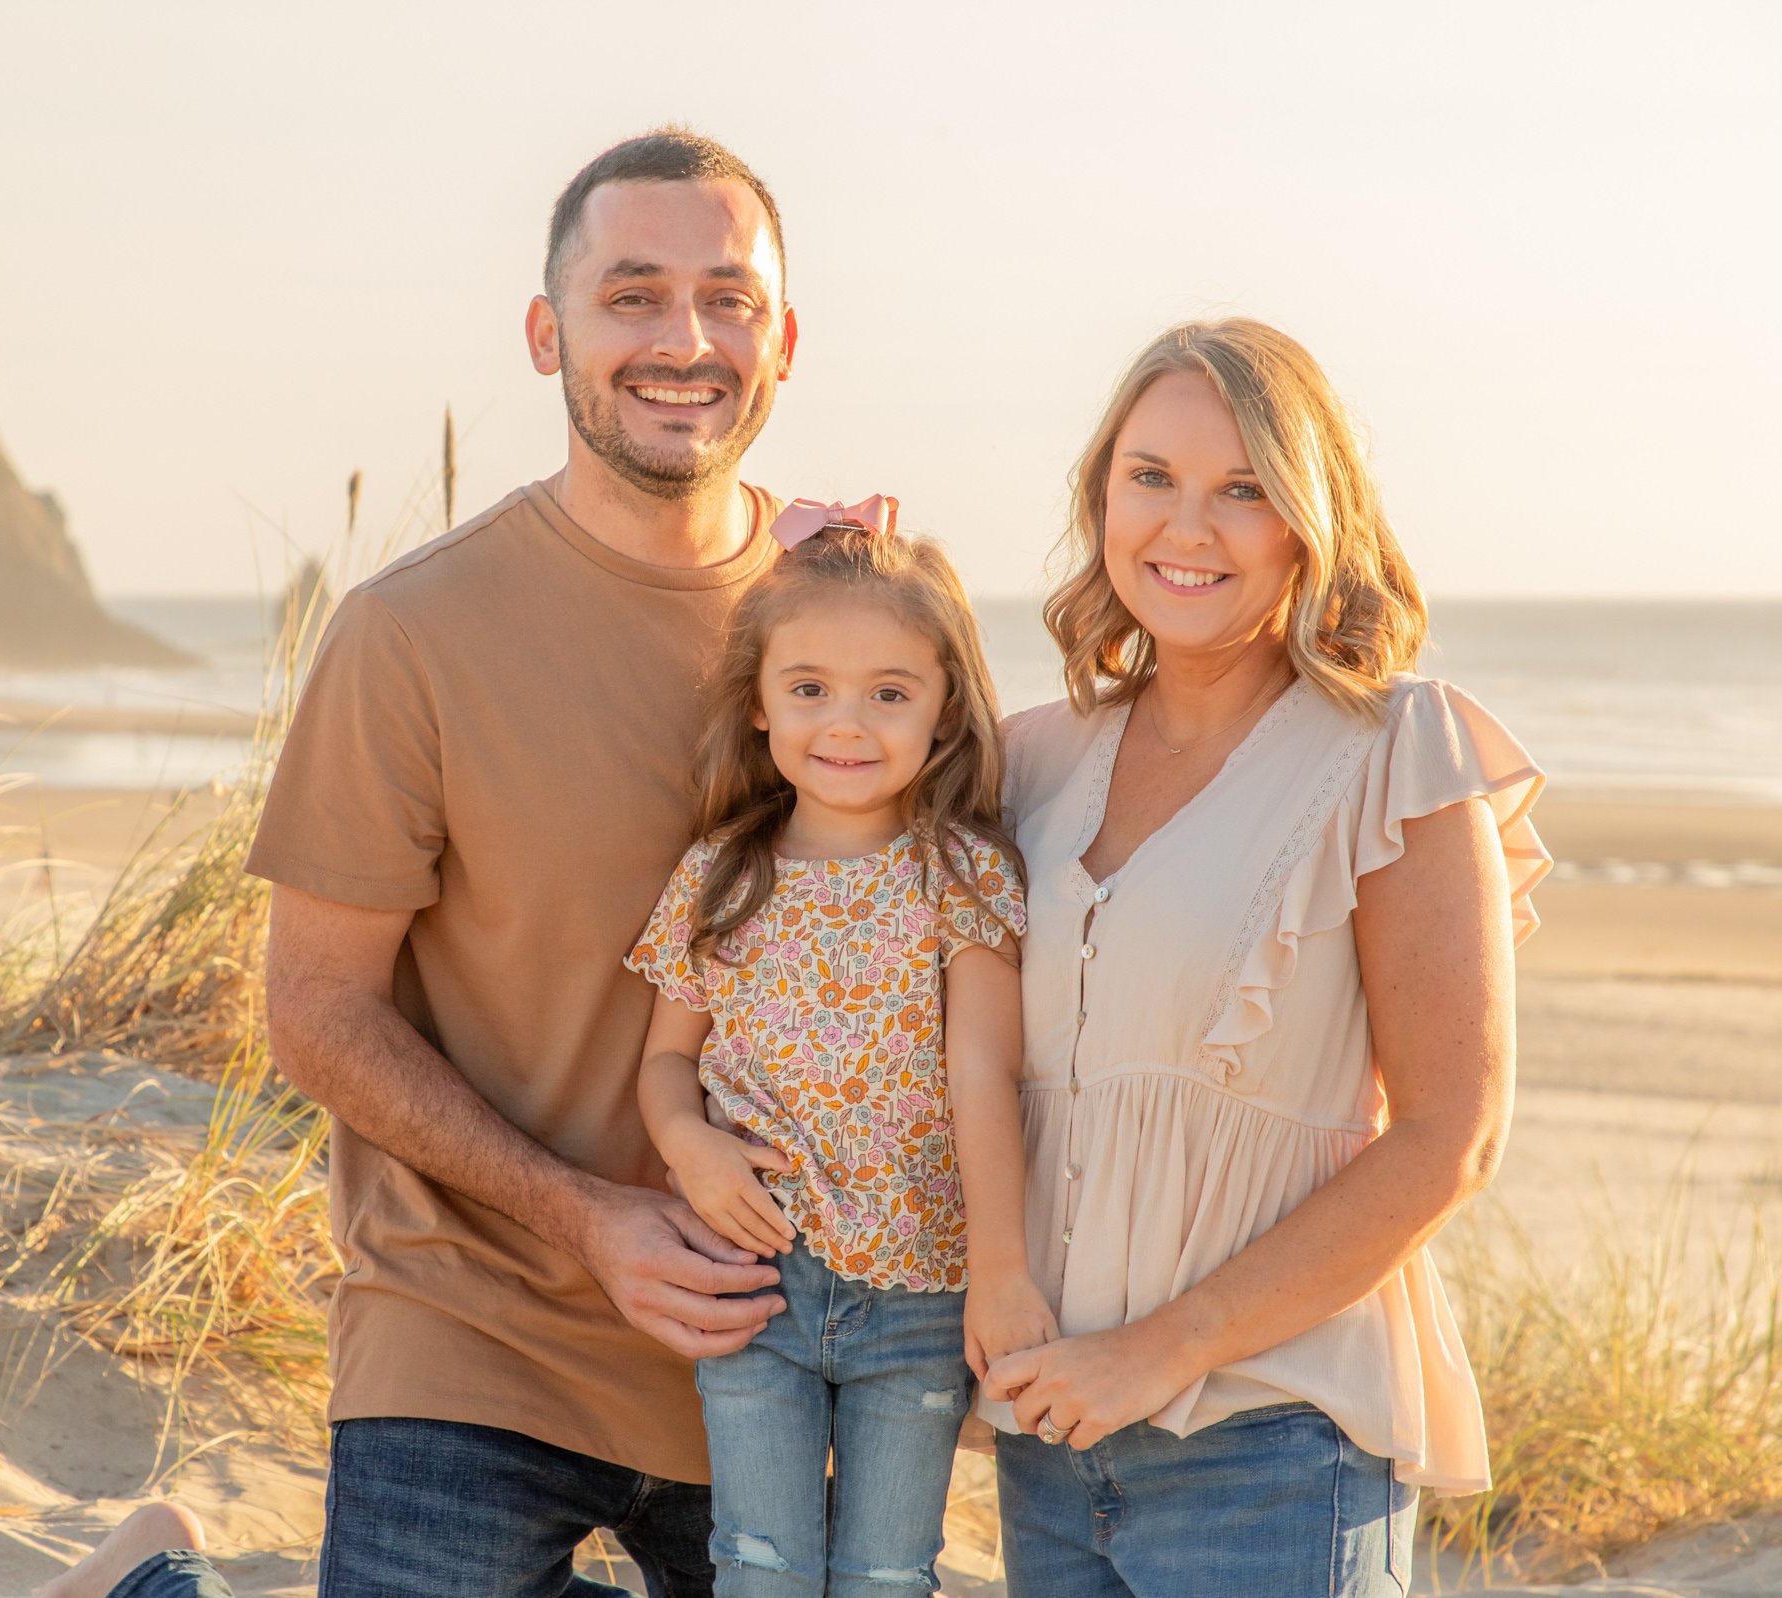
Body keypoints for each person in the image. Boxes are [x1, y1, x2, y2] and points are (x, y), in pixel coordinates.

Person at [71, 126, 804, 1598]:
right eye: (633, 295)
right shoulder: (413, 631)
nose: (686, 339)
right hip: (473, 1324)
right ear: (548, 335)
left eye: (729, 298)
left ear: (784, 337)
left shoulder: (864, 635)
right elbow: (318, 1009)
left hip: (781, 1350)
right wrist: (587, 1215)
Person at [977, 319, 1551, 1596]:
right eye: (1152, 478)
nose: (1189, 528)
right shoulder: (1027, 761)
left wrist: (1159, 1349)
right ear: (1101, 495)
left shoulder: (1397, 748)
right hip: (1049, 1439)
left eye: (1244, 490)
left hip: (1275, 1446)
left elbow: (1453, 1136)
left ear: (1310, 517)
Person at [624, 504, 1046, 1595]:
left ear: (946, 713)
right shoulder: (722, 873)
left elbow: (985, 1076)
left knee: (887, 1572)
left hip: (920, 1293)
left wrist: (1001, 1270)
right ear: (759, 705)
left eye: (889, 693)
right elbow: (668, 1060)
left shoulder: (965, 876)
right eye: (808, 688)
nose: (845, 723)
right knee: (757, 1562)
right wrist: (689, 1148)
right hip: (754, 1282)